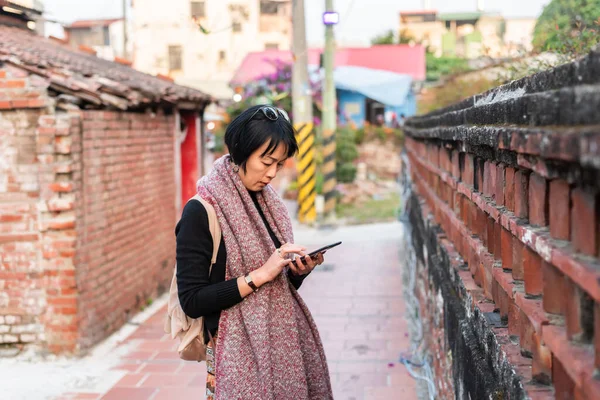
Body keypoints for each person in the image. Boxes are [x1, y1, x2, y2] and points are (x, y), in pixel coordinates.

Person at [175, 105, 333, 399]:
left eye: (280, 164)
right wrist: (261, 274)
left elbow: (276, 287)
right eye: (266, 161)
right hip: (232, 353)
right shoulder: (201, 210)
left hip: (282, 344)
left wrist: (295, 274)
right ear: (240, 151)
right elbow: (192, 301)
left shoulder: (268, 205)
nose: (272, 173)